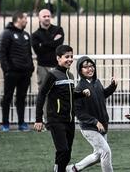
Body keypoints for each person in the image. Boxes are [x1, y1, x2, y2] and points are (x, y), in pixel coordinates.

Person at [35, 44, 92, 172]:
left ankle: (57, 168)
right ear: (58, 58)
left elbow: (70, 95)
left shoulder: (70, 76)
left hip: (69, 120)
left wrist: (81, 94)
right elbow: (41, 95)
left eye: (71, 56)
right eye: (67, 57)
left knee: (67, 152)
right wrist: (38, 119)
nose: (70, 59)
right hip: (56, 120)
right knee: (63, 150)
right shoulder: (52, 75)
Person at [74, 56, 117, 172]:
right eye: (86, 67)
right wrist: (95, 121)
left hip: (102, 125)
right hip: (89, 127)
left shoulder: (96, 82)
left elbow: (102, 95)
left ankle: (74, 169)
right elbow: (78, 113)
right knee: (105, 152)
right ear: (80, 70)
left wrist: (113, 86)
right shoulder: (79, 88)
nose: (90, 69)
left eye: (91, 66)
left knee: (98, 155)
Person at [0, 11, 35, 131]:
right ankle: (5, 123)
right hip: (12, 73)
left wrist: (30, 68)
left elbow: (29, 53)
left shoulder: (26, 35)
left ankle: (21, 123)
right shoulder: (6, 34)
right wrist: (7, 70)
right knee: (7, 97)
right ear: (18, 19)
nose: (26, 21)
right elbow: (2, 54)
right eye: (25, 18)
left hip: (25, 73)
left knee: (21, 98)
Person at [34, 8, 67, 89]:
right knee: (43, 90)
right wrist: (53, 41)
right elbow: (38, 50)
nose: (47, 18)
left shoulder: (58, 30)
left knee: (59, 90)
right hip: (43, 66)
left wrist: (43, 44)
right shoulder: (35, 35)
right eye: (44, 16)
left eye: (48, 16)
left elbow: (59, 44)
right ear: (39, 18)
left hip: (57, 66)